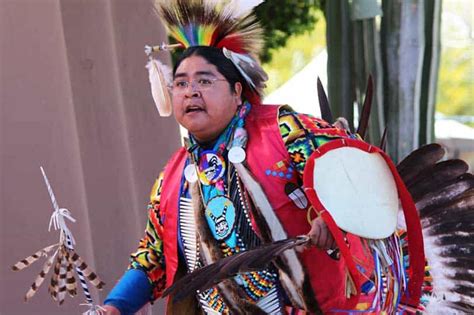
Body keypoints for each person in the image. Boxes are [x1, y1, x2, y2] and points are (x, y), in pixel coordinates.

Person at [101, 1, 423, 314]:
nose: (190, 91)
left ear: (237, 91)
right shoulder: (171, 180)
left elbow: (353, 170)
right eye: (181, 83)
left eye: (205, 80)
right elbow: (152, 259)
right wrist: (115, 306)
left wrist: (333, 217)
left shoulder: (283, 132)